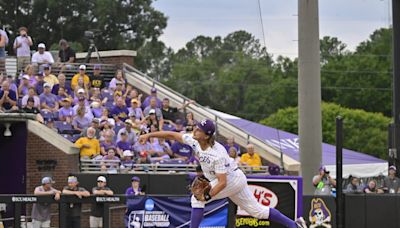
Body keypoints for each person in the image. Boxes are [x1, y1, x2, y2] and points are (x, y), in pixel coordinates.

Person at [138, 119, 306, 228]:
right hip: (235, 177)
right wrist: (149, 135)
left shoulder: (217, 154)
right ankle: (294, 225)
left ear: (206, 135)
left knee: (196, 199)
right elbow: (172, 135)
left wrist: (208, 196)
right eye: (196, 127)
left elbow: (222, 182)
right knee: (258, 212)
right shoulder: (195, 140)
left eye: (199, 129)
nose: (195, 130)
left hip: (230, 179)